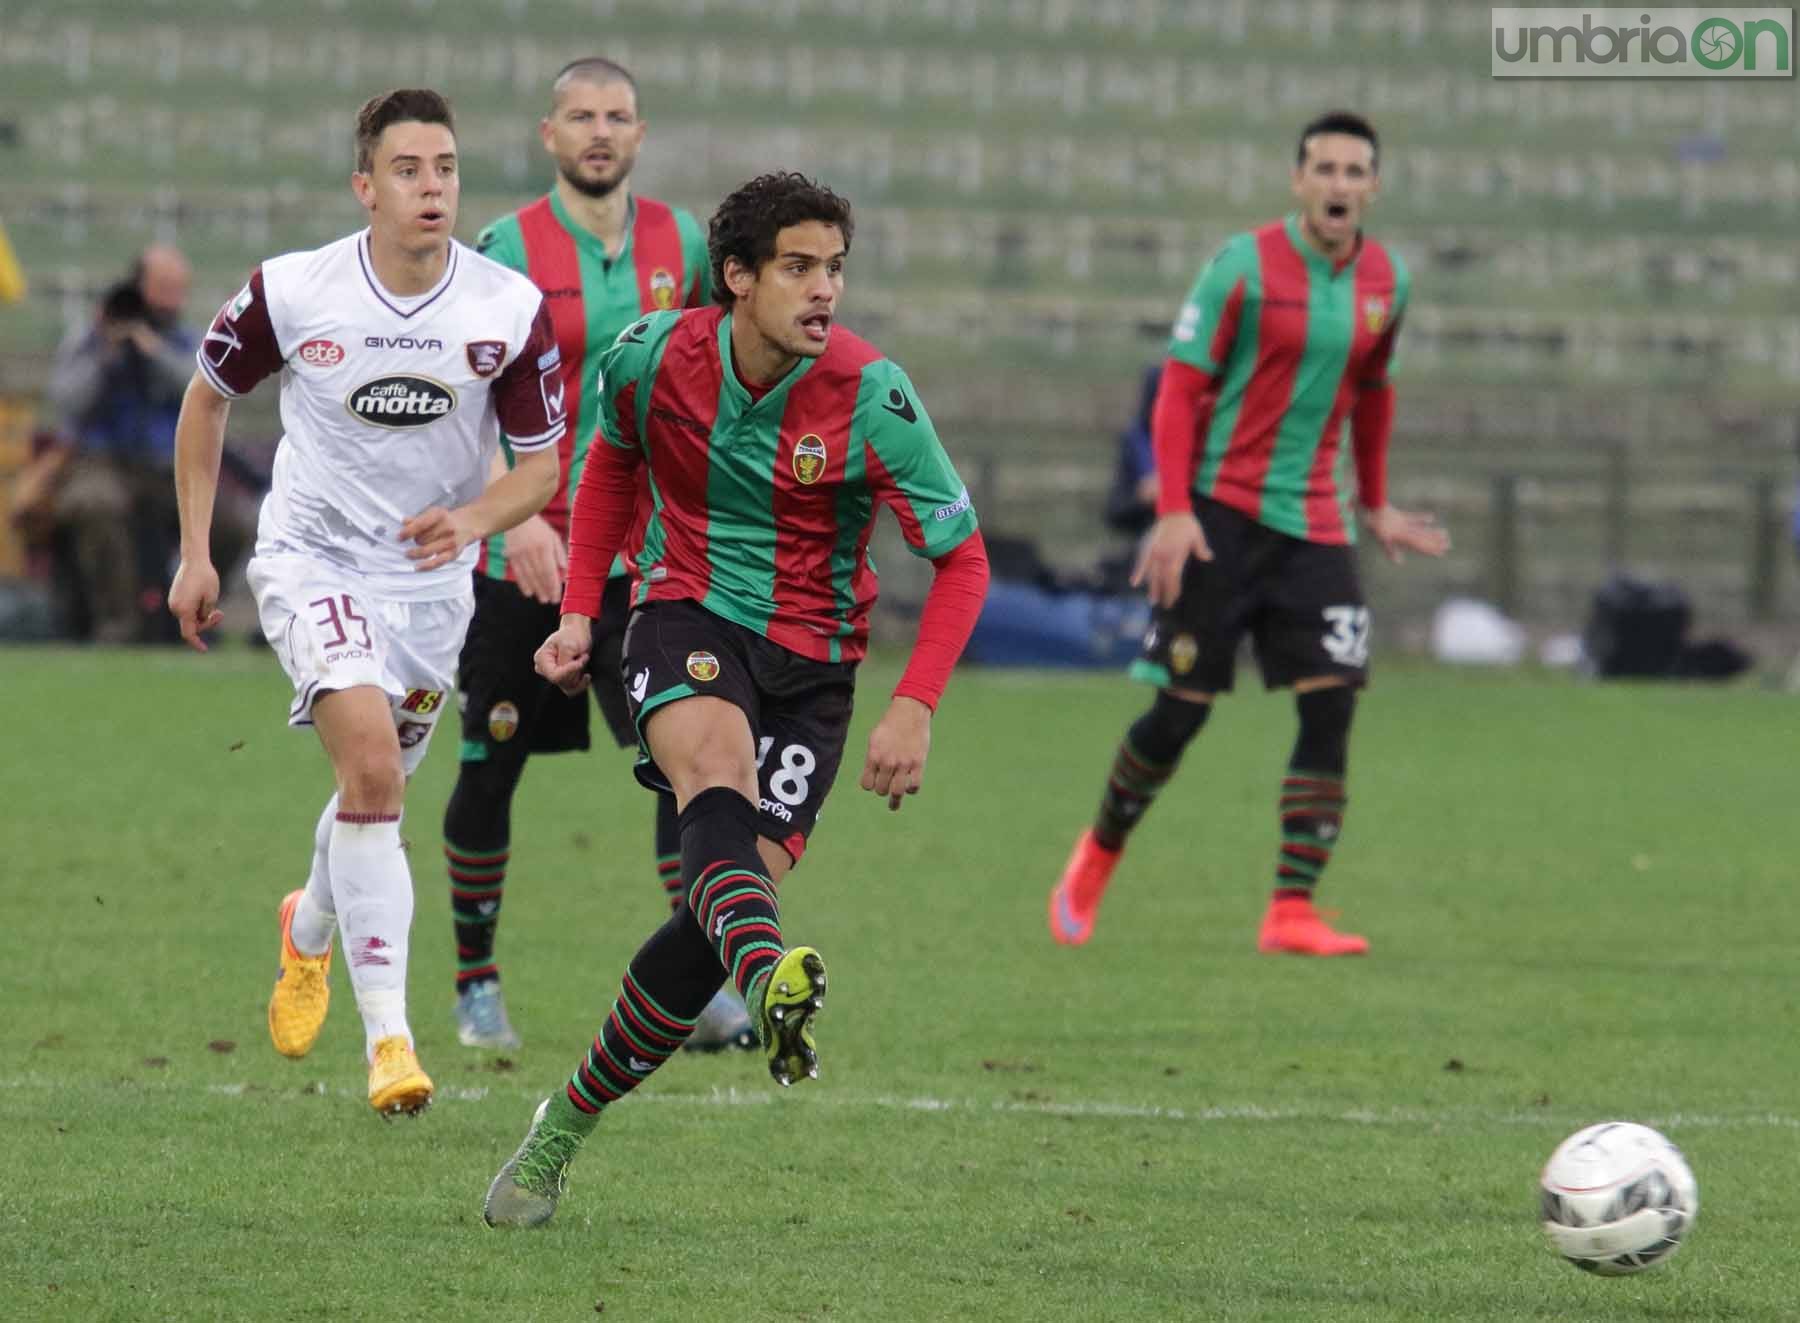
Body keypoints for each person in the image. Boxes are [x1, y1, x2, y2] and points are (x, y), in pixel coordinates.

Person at [482, 171, 990, 1227]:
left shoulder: (873, 397)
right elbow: (610, 463)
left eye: (836, 269)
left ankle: (563, 1126)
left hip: (815, 673)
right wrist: (581, 611)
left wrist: (918, 703)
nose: (824, 292)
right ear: (738, 277)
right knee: (715, 778)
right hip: (685, 615)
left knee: (716, 910)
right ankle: (768, 982)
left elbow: (964, 560)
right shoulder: (652, 357)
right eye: (799, 267)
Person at [167, 88, 566, 1115]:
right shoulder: (293, 293)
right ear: (365, 187)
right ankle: (391, 1042)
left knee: (370, 794)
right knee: (377, 777)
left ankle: (306, 927)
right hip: (314, 562)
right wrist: (195, 551)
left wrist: (476, 521)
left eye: (444, 168)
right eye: (407, 170)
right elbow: (208, 396)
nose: (431, 187)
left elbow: (539, 469)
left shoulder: (507, 311)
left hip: (431, 592)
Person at [1047, 111, 1449, 957]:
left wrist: (1375, 502)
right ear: (1299, 181)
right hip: (1220, 517)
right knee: (1179, 713)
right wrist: (1174, 509)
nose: (1339, 184)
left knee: (1333, 701)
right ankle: (1096, 855)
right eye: (1324, 168)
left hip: (1315, 524)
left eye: (1354, 171)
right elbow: (1180, 389)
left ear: (1374, 187)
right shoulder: (1242, 267)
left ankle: (1291, 908)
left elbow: (1375, 393)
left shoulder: (1389, 281)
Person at [443, 57, 745, 1054]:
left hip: (646, 559)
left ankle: (702, 984)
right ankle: (475, 982)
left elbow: (707, 374)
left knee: (686, 761)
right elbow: (465, 393)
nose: (600, 131)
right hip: (522, 558)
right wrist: (513, 511)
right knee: (490, 768)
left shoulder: (685, 242)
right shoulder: (502, 246)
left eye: (617, 115)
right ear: (549, 135)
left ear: (641, 134)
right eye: (581, 116)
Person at [47, 245, 243, 642]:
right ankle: (118, 626)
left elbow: (204, 386)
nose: (171, 299)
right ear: (138, 288)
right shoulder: (93, 339)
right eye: (162, 288)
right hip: (104, 462)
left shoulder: (186, 340)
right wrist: (107, 350)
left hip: (168, 465)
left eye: (178, 289)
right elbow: (66, 401)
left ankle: (187, 621)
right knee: (95, 504)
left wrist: (150, 348)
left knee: (231, 524)